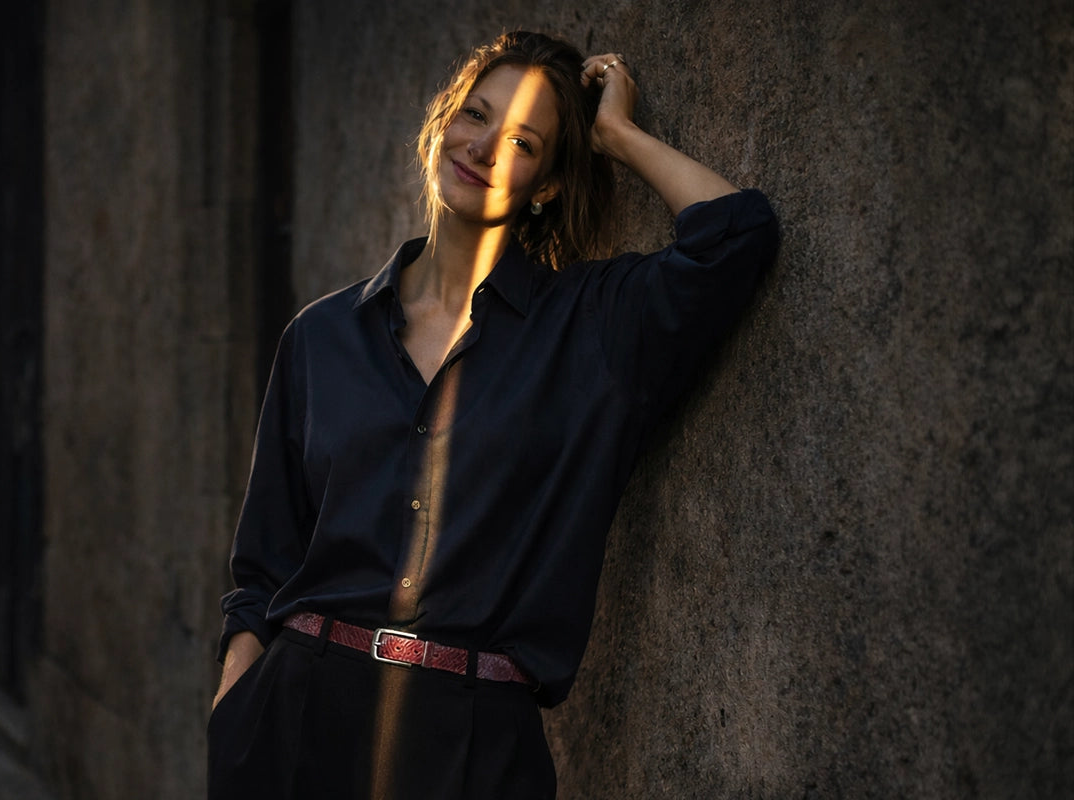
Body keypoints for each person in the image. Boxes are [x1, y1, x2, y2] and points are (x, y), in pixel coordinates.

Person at [208, 30, 779, 799]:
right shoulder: (321, 337)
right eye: (475, 115)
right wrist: (233, 712)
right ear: (444, 120)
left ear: (544, 182)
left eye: (522, 141)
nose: (483, 148)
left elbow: (735, 238)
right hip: (293, 721)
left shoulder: (587, 329)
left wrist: (617, 134)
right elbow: (264, 563)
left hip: (472, 743)